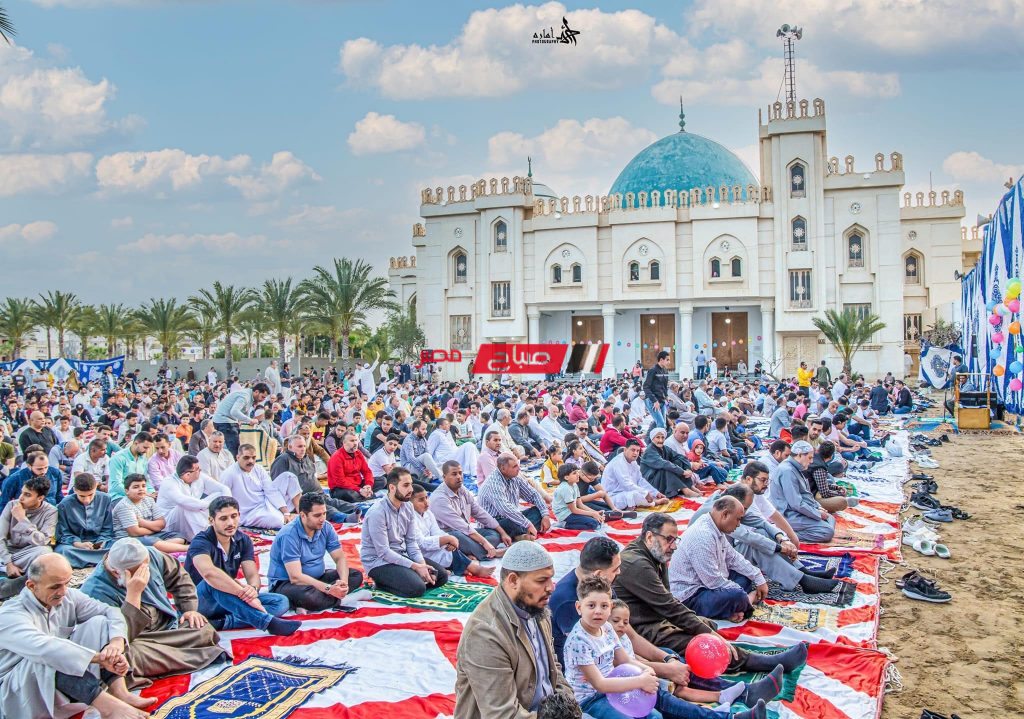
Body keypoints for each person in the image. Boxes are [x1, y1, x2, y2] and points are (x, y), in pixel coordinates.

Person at [613, 513, 808, 675]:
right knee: (704, 643)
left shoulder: (655, 553)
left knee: (707, 624)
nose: (673, 545)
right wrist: (713, 637)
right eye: (669, 539)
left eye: (675, 539)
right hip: (642, 628)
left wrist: (704, 627)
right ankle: (759, 663)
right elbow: (670, 606)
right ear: (649, 537)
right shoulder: (637, 563)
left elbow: (668, 601)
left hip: (659, 615)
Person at [564, 575, 770, 719]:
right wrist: (641, 680)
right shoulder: (579, 641)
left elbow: (625, 660)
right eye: (591, 606)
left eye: (604, 606)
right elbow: (599, 684)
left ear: (610, 606)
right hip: (592, 698)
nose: (598, 612)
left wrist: (649, 672)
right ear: (579, 607)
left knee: (654, 714)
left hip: (619, 684)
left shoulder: (607, 629)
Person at [0, 553, 154, 719]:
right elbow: (46, 649)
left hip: (58, 683)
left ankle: (119, 692)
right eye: (55, 586)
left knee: (100, 623)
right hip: (18, 690)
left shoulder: (68, 596)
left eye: (66, 583)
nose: (63, 592)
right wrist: (99, 658)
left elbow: (110, 611)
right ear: (31, 586)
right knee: (50, 656)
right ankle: (108, 708)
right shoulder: (10, 615)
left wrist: (116, 644)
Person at [81, 538, 225, 685]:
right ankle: (193, 654)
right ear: (117, 572)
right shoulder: (94, 592)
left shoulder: (151, 555)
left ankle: (176, 655)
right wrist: (133, 596)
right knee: (127, 657)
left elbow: (179, 577)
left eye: (146, 566)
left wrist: (189, 610)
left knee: (201, 628)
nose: (146, 571)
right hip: (138, 640)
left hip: (169, 627)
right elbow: (118, 639)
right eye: (139, 571)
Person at [454, 541, 571, 718]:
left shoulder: (537, 607)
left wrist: (567, 703)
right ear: (513, 580)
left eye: (551, 578)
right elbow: (502, 714)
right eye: (541, 580)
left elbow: (553, 666)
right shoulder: (485, 633)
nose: (551, 588)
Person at [184, 496, 299, 636]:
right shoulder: (201, 541)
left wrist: (253, 589)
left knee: (280, 602)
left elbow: (251, 574)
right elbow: (209, 573)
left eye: (234, 516)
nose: (230, 523)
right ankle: (267, 623)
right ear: (211, 520)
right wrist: (243, 594)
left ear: (239, 515)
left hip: (229, 598)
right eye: (223, 518)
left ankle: (221, 623)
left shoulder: (243, 540)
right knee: (213, 582)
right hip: (199, 601)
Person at [669, 496, 768, 621]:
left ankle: (730, 609)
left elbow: (733, 558)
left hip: (709, 585)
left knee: (745, 576)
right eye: (737, 520)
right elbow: (713, 582)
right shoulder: (702, 535)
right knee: (737, 595)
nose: (738, 524)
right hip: (691, 596)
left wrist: (758, 577)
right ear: (725, 514)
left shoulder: (714, 527)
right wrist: (743, 595)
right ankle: (747, 600)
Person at [267, 492, 364, 612]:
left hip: (317, 578)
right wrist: (329, 589)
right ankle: (341, 599)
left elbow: (339, 558)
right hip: (287, 583)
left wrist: (343, 583)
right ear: (303, 515)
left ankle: (324, 599)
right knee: (310, 597)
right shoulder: (289, 535)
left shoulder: (326, 527)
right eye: (317, 515)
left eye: (324, 513)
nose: (322, 519)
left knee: (355, 575)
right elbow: (295, 577)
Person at [360, 467, 449, 597]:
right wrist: (414, 566)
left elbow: (411, 542)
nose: (411, 490)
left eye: (411, 485)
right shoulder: (378, 513)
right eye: (406, 485)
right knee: (417, 588)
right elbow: (383, 551)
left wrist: (422, 565)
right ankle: (382, 583)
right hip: (379, 562)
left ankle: (406, 579)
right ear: (392, 488)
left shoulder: (407, 507)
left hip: (401, 555)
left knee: (440, 576)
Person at [429, 460, 511, 560]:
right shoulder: (439, 498)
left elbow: (479, 512)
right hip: (450, 536)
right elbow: (460, 526)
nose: (459, 477)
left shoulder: (461, 489)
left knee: (494, 535)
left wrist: (502, 533)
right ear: (444, 477)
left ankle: (472, 552)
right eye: (454, 474)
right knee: (457, 536)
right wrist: (485, 542)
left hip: (467, 532)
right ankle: (489, 553)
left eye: (460, 473)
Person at [410, 483, 494, 579]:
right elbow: (421, 543)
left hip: (434, 546)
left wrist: (448, 540)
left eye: (426, 497)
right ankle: (474, 568)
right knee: (452, 546)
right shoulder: (410, 518)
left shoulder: (428, 513)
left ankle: (463, 565)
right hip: (420, 553)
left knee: (452, 546)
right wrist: (447, 539)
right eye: (421, 500)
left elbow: (437, 531)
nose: (426, 502)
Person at [219, 443, 301, 529]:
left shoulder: (258, 469)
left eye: (253, 458)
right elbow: (223, 499)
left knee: (289, 476)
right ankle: (288, 517)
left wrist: (285, 512)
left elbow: (270, 490)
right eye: (246, 458)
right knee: (277, 521)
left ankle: (298, 513)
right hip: (250, 513)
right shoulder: (229, 474)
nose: (251, 461)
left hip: (267, 502)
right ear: (238, 457)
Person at [0, 475, 56, 599]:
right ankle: (21, 581)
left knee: (45, 553)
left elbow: (42, 541)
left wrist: (22, 519)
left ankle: (12, 585)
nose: (21, 498)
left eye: (27, 495)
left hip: (27, 555)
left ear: (40, 498)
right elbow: (0, 538)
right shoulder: (11, 505)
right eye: (22, 493)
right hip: (5, 554)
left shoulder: (51, 511)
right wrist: (9, 563)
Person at [769, 441, 835, 543]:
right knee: (827, 531)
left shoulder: (795, 468)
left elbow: (805, 494)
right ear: (800, 455)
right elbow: (796, 504)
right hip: (788, 514)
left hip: (798, 510)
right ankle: (785, 535)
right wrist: (817, 514)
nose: (812, 461)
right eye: (810, 457)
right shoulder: (787, 471)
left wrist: (817, 506)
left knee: (830, 519)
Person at [155, 455, 230, 541]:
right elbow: (183, 501)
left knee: (218, 494)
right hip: (170, 522)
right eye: (198, 469)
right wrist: (207, 505)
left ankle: (219, 526)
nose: (200, 471)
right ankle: (207, 536)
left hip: (195, 513)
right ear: (187, 474)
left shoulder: (199, 476)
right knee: (185, 506)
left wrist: (227, 505)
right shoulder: (169, 482)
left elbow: (223, 488)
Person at [478, 453, 552, 539]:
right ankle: (519, 534)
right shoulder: (494, 483)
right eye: (515, 466)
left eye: (518, 465)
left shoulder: (515, 477)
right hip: (495, 522)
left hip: (511, 517)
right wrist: (528, 524)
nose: (519, 468)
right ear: (503, 468)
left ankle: (518, 534)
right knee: (513, 523)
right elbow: (505, 509)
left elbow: (533, 495)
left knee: (539, 511)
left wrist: (545, 515)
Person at [113, 473, 188, 553]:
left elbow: (162, 523)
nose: (141, 489)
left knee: (179, 536)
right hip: (129, 539)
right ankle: (187, 548)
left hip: (151, 535)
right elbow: (135, 532)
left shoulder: (149, 500)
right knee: (151, 542)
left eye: (143, 486)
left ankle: (160, 548)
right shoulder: (124, 505)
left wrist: (143, 523)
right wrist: (155, 528)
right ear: (127, 491)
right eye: (136, 487)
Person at [55, 473, 115, 568]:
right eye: (82, 496)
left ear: (95, 488)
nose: (87, 500)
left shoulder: (106, 499)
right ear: (74, 490)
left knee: (119, 545)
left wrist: (101, 542)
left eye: (91, 495)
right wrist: (78, 543)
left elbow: (108, 528)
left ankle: (86, 560)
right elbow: (63, 532)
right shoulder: (64, 505)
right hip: (75, 546)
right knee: (62, 551)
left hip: (101, 543)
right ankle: (102, 560)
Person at [601, 440, 668, 510]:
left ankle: (633, 504)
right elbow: (626, 484)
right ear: (625, 450)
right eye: (633, 450)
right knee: (635, 494)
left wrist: (656, 493)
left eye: (638, 451)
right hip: (612, 497)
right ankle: (654, 503)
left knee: (640, 492)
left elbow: (640, 480)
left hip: (624, 493)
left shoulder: (633, 462)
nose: (635, 453)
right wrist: (645, 493)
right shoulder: (618, 462)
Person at [211, 382, 270, 457]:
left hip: (227, 420)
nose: (263, 400)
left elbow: (244, 412)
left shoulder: (248, 396)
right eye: (262, 397)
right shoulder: (245, 396)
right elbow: (234, 411)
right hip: (224, 421)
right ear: (256, 392)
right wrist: (250, 420)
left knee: (234, 447)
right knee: (234, 450)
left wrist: (246, 420)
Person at [640, 427, 699, 498]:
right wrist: (682, 472)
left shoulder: (664, 448)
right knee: (666, 468)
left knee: (678, 461)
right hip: (651, 480)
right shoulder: (649, 451)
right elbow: (663, 463)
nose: (660, 440)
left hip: (661, 477)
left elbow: (681, 457)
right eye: (657, 437)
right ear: (652, 439)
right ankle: (685, 490)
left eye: (662, 437)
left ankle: (689, 486)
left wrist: (687, 469)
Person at [427, 417, 480, 484]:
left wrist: (461, 449)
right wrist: (431, 467)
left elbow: (454, 447)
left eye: (449, 424)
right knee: (468, 445)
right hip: (444, 460)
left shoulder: (447, 433)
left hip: (454, 456)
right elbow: (429, 451)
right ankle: (471, 473)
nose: (449, 425)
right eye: (446, 424)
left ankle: (476, 471)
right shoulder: (436, 434)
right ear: (440, 426)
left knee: (471, 446)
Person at [327, 430, 375, 502]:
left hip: (357, 485)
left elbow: (367, 471)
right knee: (350, 495)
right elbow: (340, 481)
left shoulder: (358, 453)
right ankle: (366, 495)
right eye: (352, 441)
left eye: (356, 440)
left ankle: (365, 493)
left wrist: (368, 485)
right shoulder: (336, 457)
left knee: (381, 480)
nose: (355, 443)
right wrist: (359, 490)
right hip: (340, 488)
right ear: (344, 443)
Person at [552, 464, 604, 530]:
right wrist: (592, 514)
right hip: (564, 515)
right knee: (594, 523)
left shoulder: (574, 485)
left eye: (577, 472)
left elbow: (580, 504)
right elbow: (574, 510)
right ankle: (564, 524)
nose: (578, 474)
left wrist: (595, 513)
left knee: (597, 520)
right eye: (574, 473)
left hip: (571, 512)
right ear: (566, 477)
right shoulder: (565, 488)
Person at [107, 432, 153, 501]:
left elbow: (146, 481)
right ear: (136, 443)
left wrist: (152, 492)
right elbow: (115, 484)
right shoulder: (118, 458)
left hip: (140, 496)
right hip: (120, 496)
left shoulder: (143, 458)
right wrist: (136, 493)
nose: (147, 451)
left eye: (148, 448)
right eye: (145, 447)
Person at [642, 350, 671, 430]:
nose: (669, 362)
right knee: (661, 424)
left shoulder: (665, 371)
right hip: (652, 400)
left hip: (661, 400)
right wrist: (654, 401)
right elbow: (646, 387)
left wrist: (667, 396)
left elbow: (664, 386)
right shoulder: (652, 370)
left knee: (661, 423)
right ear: (661, 360)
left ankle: (648, 439)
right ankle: (658, 442)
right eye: (667, 360)